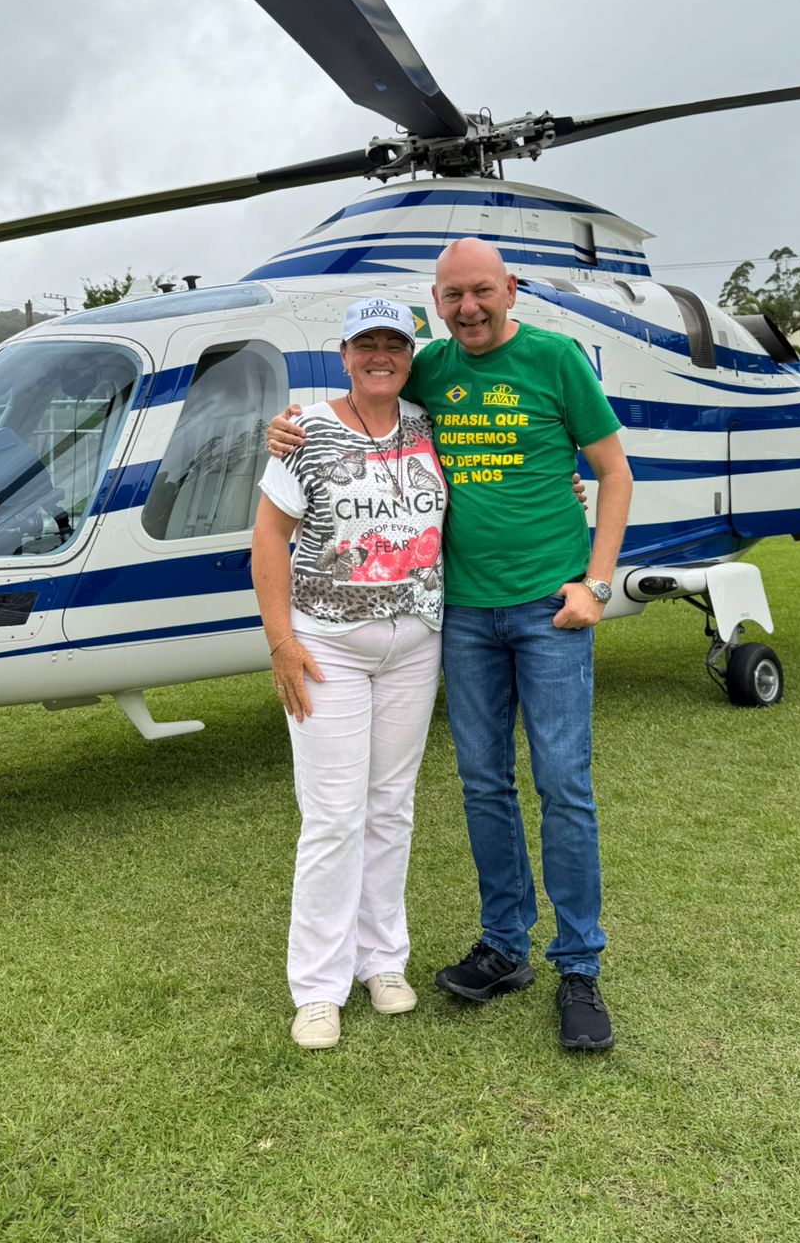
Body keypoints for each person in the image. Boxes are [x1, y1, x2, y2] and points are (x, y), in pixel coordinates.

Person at [269, 241, 633, 1051]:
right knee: (483, 785)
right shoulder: (426, 367)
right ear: (436, 303)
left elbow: (612, 472)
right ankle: (505, 945)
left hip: (550, 608)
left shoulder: (556, 359)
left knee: (563, 784)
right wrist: (286, 429)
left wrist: (598, 584)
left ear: (510, 290)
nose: (469, 308)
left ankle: (578, 964)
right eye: (453, 296)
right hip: (460, 614)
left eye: (482, 292)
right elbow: (364, 397)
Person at [252, 298, 446, 1049]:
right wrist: (280, 641)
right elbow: (268, 539)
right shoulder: (304, 429)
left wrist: (565, 488)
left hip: (415, 642)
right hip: (326, 645)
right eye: (367, 343)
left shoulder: (429, 425)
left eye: (394, 343)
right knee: (333, 815)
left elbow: (502, 469)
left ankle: (382, 960)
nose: (381, 355)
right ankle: (318, 986)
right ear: (344, 355)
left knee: (390, 807)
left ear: (409, 356)